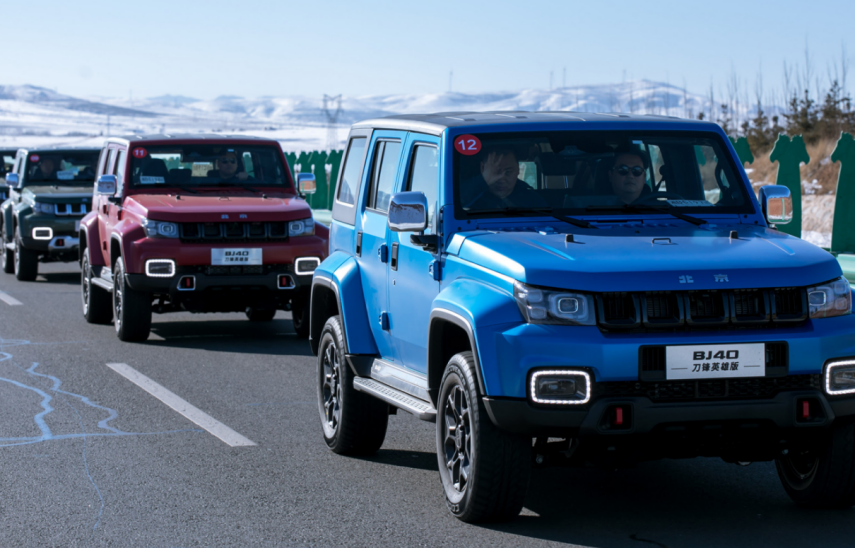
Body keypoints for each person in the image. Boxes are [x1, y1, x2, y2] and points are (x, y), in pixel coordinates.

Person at [463, 146, 545, 209]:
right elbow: (458, 203)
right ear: (482, 168)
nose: (501, 179)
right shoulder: (471, 197)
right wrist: (483, 181)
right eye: (494, 172)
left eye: (508, 172)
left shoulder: (533, 200)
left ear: (518, 169)